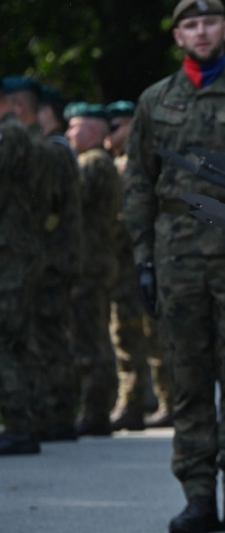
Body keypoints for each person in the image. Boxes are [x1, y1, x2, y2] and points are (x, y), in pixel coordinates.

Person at [123, 0, 225, 533]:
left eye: (209, 22)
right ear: (177, 37)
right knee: (188, 379)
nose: (200, 31)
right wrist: (144, 261)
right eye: (190, 24)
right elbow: (140, 186)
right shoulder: (154, 101)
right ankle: (197, 495)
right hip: (177, 260)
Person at [0, 76, 62, 455]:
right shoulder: (27, 138)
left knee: (7, 339)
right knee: (20, 339)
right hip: (21, 250)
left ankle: (19, 424)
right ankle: (26, 420)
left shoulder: (10, 135)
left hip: (10, 253)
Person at [105, 99, 175, 431]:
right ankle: (131, 403)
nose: (110, 134)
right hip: (123, 266)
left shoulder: (144, 165)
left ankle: (169, 402)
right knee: (126, 338)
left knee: (156, 334)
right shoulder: (119, 165)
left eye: (116, 126)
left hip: (147, 260)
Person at [64, 102, 121, 436]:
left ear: (93, 132)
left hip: (89, 263)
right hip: (97, 260)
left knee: (90, 338)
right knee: (94, 334)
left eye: (75, 127)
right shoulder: (102, 162)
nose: (69, 133)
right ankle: (95, 408)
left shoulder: (92, 163)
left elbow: (70, 200)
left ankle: (95, 409)